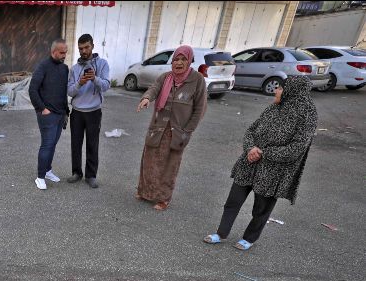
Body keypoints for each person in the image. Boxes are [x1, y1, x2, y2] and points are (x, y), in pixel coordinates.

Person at [203, 76, 318, 251]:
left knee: (261, 208)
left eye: (279, 88)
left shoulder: (307, 114)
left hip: (274, 169)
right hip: (249, 161)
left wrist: (264, 153)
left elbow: (297, 148)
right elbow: (251, 130)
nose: (275, 91)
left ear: (291, 91)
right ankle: (221, 233)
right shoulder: (273, 108)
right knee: (233, 200)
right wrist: (251, 149)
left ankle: (249, 238)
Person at [136, 45, 206, 210]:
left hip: (177, 132)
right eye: (176, 59)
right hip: (158, 128)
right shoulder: (165, 77)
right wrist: (146, 98)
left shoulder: (197, 80)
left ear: (189, 61)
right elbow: (154, 89)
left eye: (183, 59)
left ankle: (163, 198)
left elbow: (200, 109)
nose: (179, 63)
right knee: (149, 161)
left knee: (170, 165)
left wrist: (187, 131)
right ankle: (145, 192)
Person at [67, 34, 111, 188]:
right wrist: (79, 83)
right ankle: (76, 172)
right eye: (80, 48)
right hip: (77, 112)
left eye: (86, 47)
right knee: (76, 144)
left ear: (92, 45)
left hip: (94, 112)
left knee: (93, 144)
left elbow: (106, 86)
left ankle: (91, 176)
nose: (83, 51)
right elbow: (70, 92)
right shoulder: (74, 68)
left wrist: (94, 79)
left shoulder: (103, 64)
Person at [29, 39, 70, 191]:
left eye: (66, 52)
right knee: (47, 144)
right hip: (47, 114)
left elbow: (63, 92)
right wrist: (42, 109)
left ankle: (47, 171)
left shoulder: (65, 68)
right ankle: (40, 177)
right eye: (61, 52)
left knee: (53, 144)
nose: (64, 55)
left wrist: (66, 111)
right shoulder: (43, 67)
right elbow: (33, 89)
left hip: (60, 114)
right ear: (53, 52)